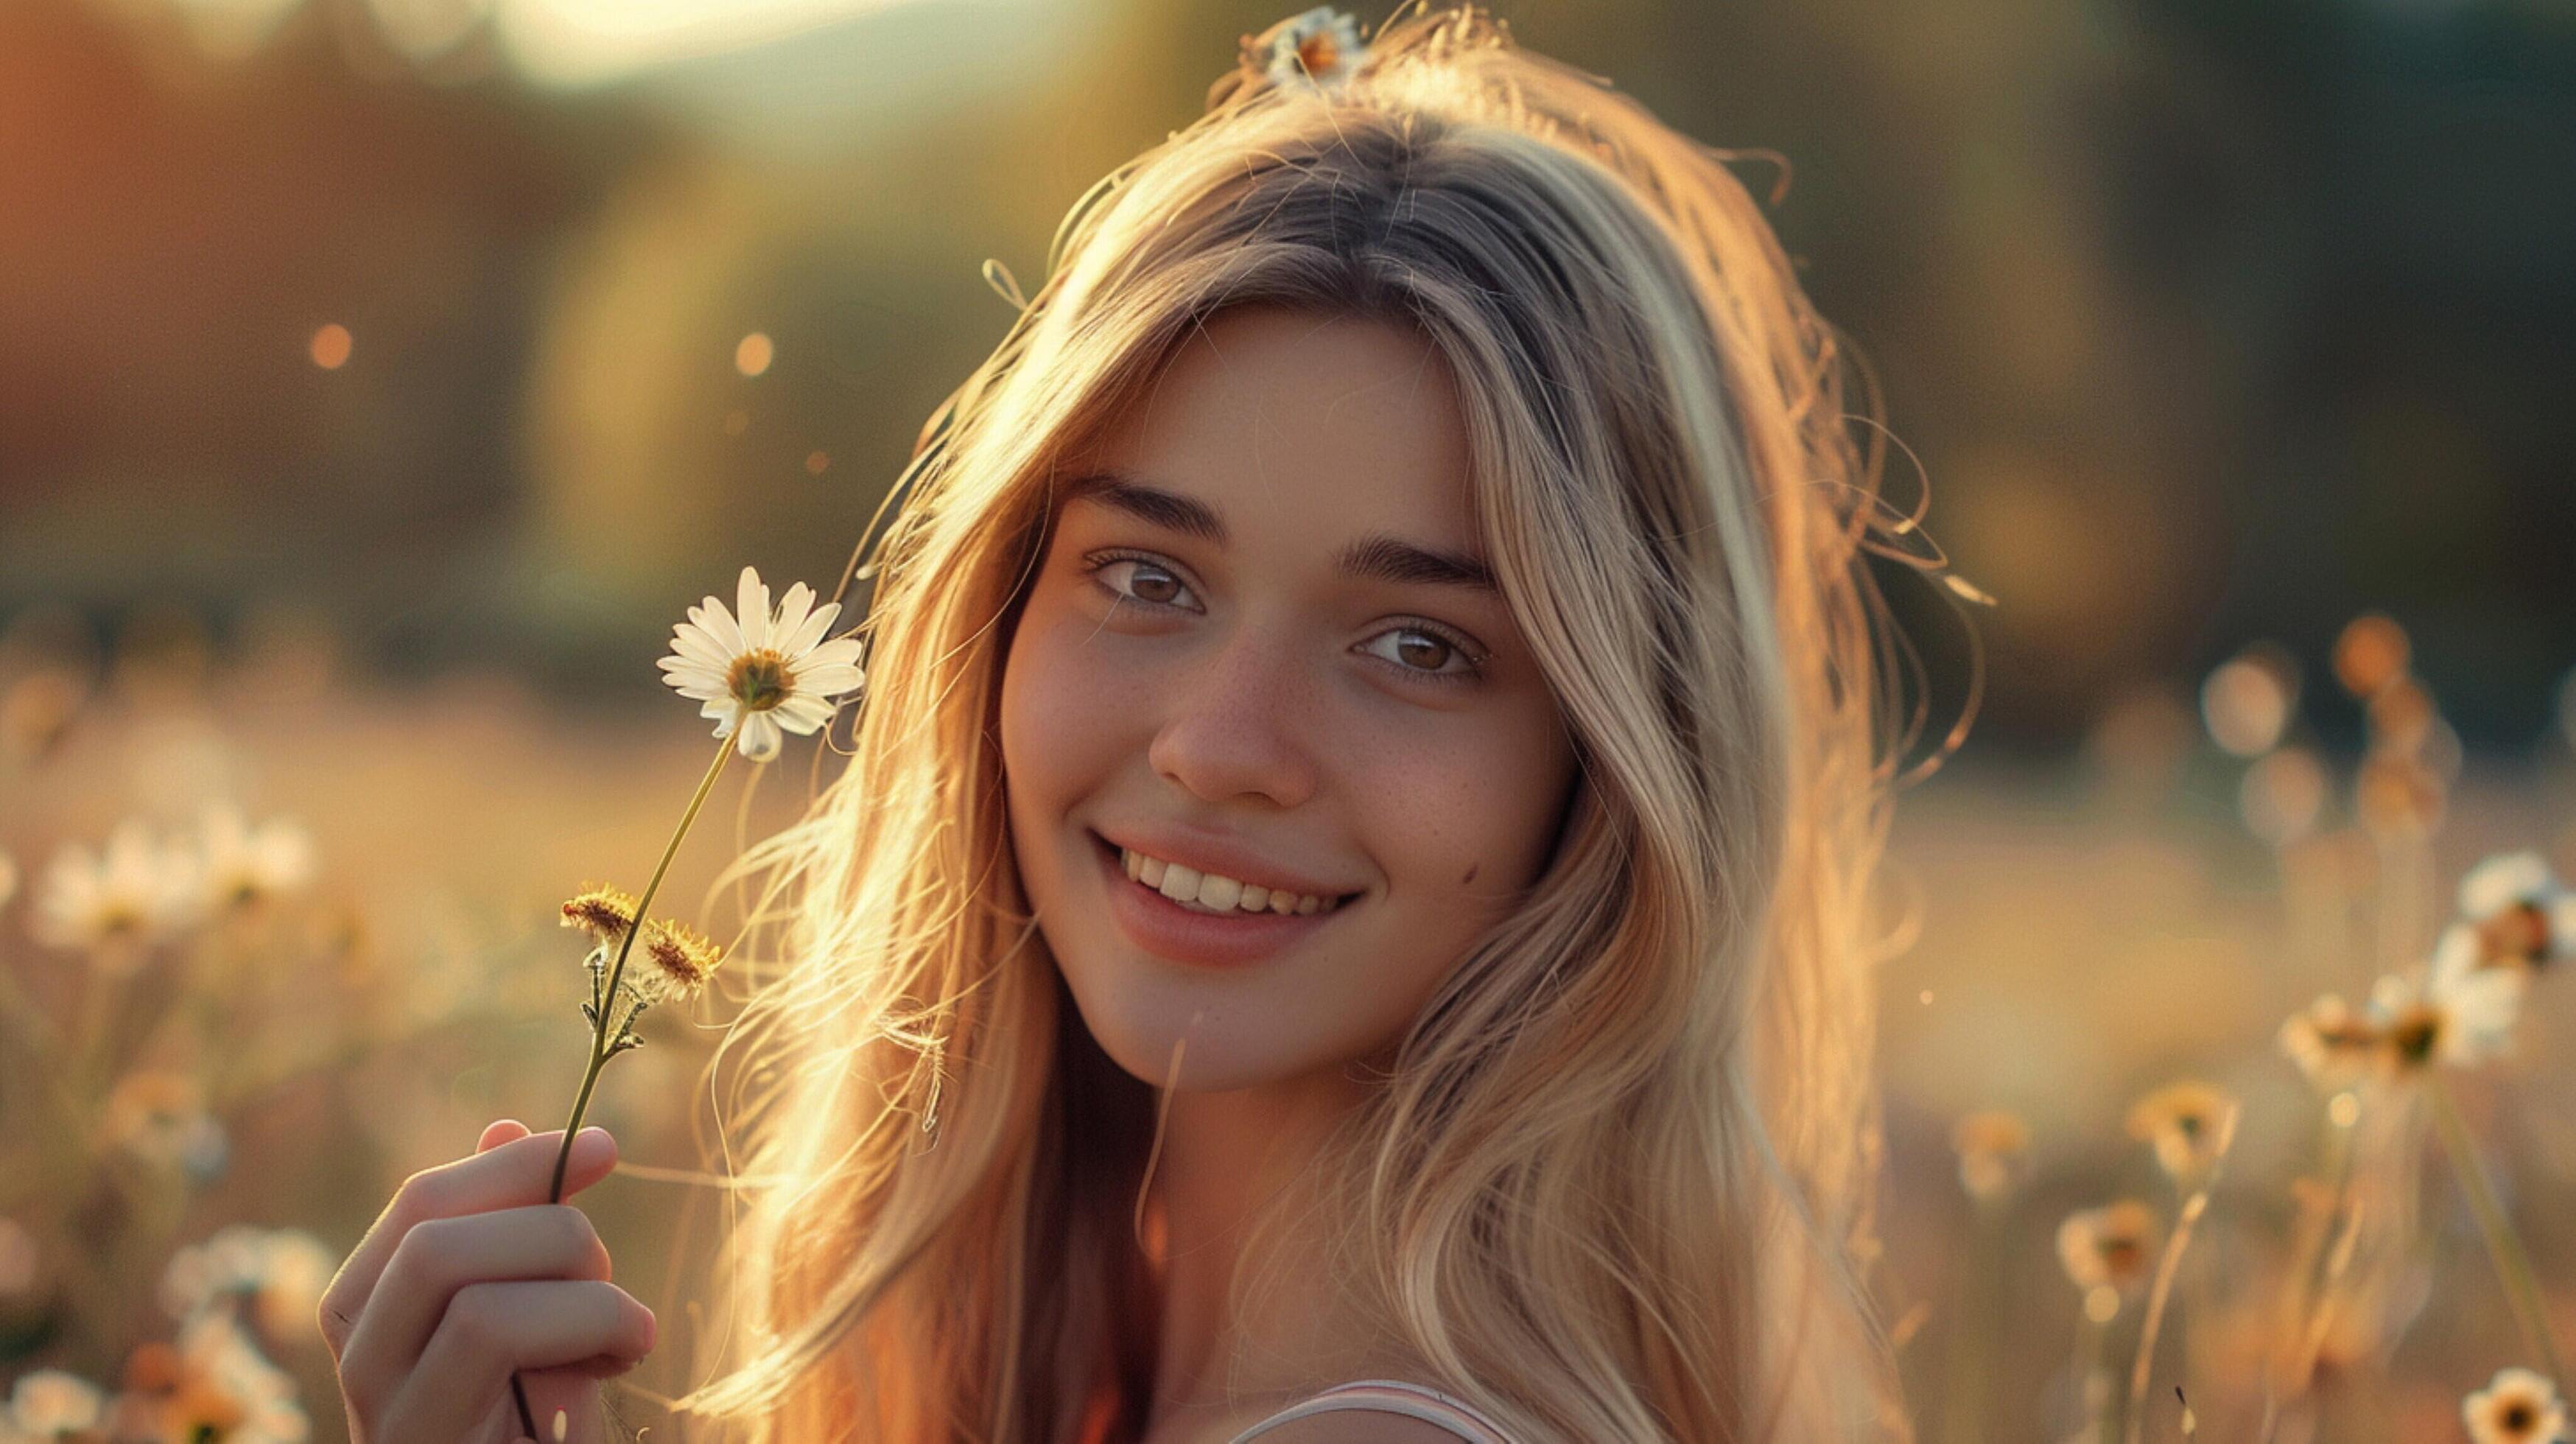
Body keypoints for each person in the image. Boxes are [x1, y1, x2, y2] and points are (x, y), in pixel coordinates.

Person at [320, 2, 1945, 1437]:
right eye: (1149, 577)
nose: (1218, 744)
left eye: (1416, 643)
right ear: (999, 612)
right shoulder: (1115, 1369)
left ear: (1605, 774)